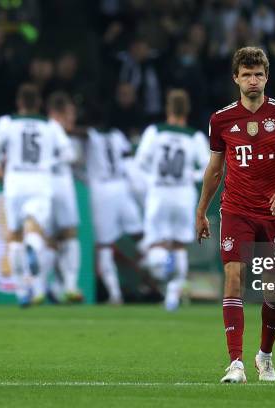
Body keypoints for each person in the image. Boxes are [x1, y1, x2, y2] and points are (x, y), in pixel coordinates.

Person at [196, 47, 275, 383]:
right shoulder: (221, 119)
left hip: (274, 213)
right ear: (236, 78)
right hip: (236, 210)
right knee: (234, 276)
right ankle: (236, 363)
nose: (253, 81)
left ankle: (265, 357)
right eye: (246, 75)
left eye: (258, 74)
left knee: (274, 292)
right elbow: (215, 169)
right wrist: (202, 209)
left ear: (267, 77)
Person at [0, 84, 75, 307]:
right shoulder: (51, 126)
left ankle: (22, 291)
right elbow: (69, 153)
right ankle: (33, 249)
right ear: (38, 104)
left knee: (14, 238)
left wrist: (0, 166)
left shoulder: (6, 122)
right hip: (40, 181)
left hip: (14, 182)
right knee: (34, 229)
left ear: (19, 102)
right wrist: (48, 162)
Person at [135, 89, 210, 311]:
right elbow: (208, 168)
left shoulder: (154, 132)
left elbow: (140, 162)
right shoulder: (194, 136)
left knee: (155, 244)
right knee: (179, 246)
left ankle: (162, 264)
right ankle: (172, 297)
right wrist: (192, 176)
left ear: (167, 109)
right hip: (183, 194)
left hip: (159, 192)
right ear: (187, 110)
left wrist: (152, 179)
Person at [84, 108, 143, 305]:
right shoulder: (117, 135)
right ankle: (165, 276)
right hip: (122, 187)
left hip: (102, 191)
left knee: (104, 245)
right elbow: (129, 160)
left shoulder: (89, 136)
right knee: (139, 235)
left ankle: (115, 294)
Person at [46, 92, 83, 303]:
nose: (72, 120)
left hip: (42, 187)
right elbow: (70, 155)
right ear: (57, 114)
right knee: (69, 235)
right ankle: (69, 285)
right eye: (69, 115)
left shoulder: (41, 128)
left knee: (50, 240)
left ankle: (49, 287)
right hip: (60, 185)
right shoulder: (55, 130)